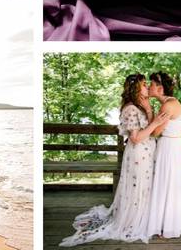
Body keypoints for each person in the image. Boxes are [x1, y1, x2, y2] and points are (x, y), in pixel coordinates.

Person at [60, 74, 168, 246]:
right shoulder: (130, 109)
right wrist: (155, 123)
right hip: (138, 155)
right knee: (137, 187)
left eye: (147, 84)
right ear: (135, 89)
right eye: (144, 84)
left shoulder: (143, 106)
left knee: (144, 188)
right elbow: (135, 138)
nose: (147, 86)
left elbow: (149, 127)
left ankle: (142, 218)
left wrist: (149, 111)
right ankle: (132, 221)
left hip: (148, 154)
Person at [147, 71, 181, 240]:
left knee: (166, 183)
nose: (149, 87)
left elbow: (155, 132)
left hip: (169, 147)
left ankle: (165, 225)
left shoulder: (168, 105)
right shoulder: (169, 103)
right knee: (165, 182)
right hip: (170, 145)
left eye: (152, 85)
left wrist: (149, 109)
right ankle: (163, 223)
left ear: (160, 88)